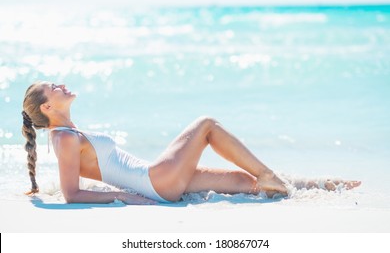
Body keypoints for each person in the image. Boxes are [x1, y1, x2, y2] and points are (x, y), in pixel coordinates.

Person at [22, 81, 361, 205]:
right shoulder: (64, 138)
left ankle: (325, 185)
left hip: (159, 181)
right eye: (54, 86)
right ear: (47, 108)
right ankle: (273, 175)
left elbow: (87, 176)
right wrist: (125, 196)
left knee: (244, 182)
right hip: (156, 181)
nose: (62, 84)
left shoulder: (68, 132)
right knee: (207, 125)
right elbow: (71, 195)